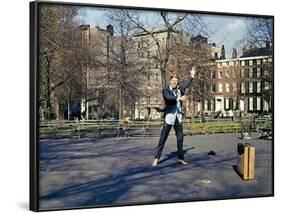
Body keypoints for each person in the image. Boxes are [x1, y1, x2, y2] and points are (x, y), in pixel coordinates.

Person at [152, 67, 196, 167]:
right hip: (169, 117)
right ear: (170, 81)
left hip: (178, 117)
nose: (175, 82)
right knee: (163, 139)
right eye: (173, 80)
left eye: (176, 81)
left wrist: (192, 75)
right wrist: (179, 98)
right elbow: (169, 99)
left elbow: (186, 83)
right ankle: (156, 158)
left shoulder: (180, 89)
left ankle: (180, 158)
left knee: (180, 139)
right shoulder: (166, 90)